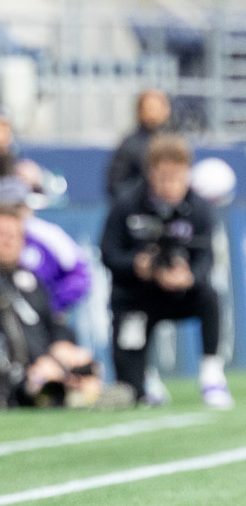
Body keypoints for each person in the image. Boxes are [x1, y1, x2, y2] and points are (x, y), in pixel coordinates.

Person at [100, 134, 233, 409]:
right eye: (163, 177)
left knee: (209, 296)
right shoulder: (127, 204)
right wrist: (137, 265)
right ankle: (142, 378)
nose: (170, 185)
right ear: (151, 173)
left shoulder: (198, 207)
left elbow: (206, 256)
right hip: (137, 295)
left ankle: (212, 374)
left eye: (177, 177)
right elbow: (109, 254)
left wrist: (189, 276)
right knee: (132, 392)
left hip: (179, 292)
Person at [0, 204, 103, 407]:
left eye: (15, 236)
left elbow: (52, 321)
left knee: (86, 367)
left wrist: (63, 346)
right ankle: (58, 390)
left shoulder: (27, 277)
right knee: (45, 381)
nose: (9, 242)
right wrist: (41, 362)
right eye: (1, 234)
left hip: (41, 364)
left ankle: (70, 389)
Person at [106, 89, 171, 201]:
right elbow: (115, 186)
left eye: (159, 108)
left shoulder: (172, 142)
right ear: (140, 111)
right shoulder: (129, 145)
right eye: (150, 108)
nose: (154, 114)